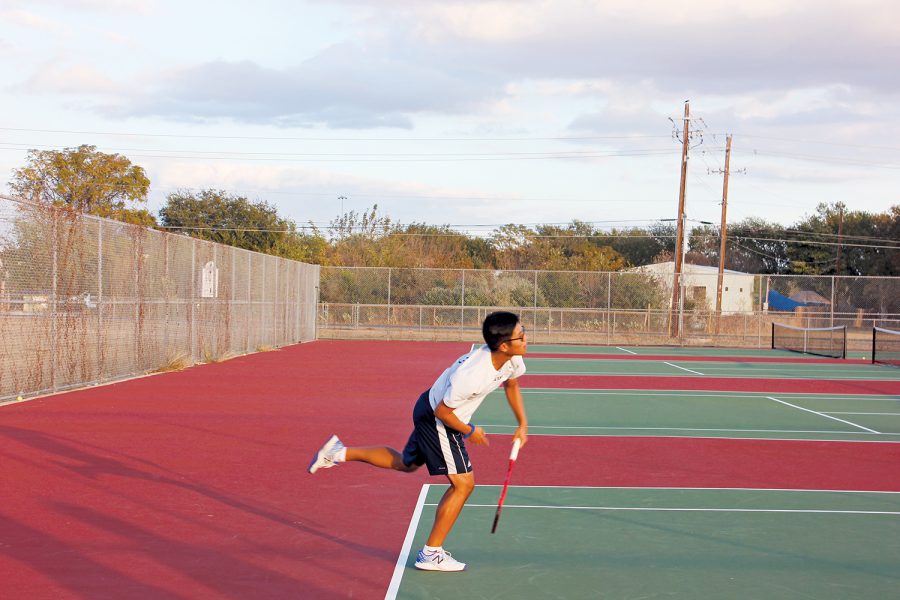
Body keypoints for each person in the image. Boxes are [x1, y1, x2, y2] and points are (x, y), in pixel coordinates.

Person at [308, 311, 529, 572]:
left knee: (406, 463)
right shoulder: (472, 375)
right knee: (464, 484)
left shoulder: (510, 360)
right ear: (504, 345)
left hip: (429, 406)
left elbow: (511, 385)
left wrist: (522, 424)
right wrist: (470, 431)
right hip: (438, 418)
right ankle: (430, 553)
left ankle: (338, 452)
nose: (526, 338)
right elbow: (443, 413)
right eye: (521, 335)